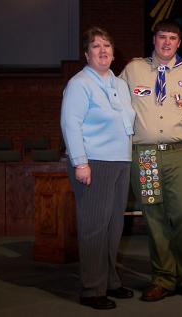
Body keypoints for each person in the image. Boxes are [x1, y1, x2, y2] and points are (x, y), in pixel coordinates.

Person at [119, 19, 182, 301]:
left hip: (179, 154)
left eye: (172, 38)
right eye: (162, 37)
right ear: (153, 40)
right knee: (154, 217)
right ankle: (163, 278)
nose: (167, 42)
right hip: (144, 157)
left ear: (179, 43)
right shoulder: (133, 70)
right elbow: (112, 102)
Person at [60, 27, 136, 310]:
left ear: (114, 53)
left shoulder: (119, 84)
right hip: (93, 163)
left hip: (120, 161)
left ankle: (110, 281)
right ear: (86, 53)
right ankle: (92, 289)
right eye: (96, 46)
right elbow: (71, 124)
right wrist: (81, 163)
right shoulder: (80, 84)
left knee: (114, 226)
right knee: (94, 227)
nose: (102, 50)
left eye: (107, 46)